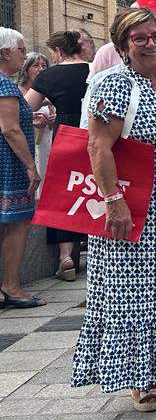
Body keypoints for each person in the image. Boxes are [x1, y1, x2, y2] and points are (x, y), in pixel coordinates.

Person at [72, 8, 156, 412]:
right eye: (140, 38)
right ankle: (139, 380)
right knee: (131, 296)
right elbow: (97, 146)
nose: (152, 44)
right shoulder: (113, 85)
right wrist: (113, 202)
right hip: (130, 211)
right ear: (123, 45)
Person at [25, 31, 90, 283]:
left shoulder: (49, 75)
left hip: (65, 134)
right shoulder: (95, 69)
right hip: (96, 132)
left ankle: (66, 257)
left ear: (59, 52)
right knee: (94, 188)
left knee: (65, 194)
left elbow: (26, 106)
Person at [0, 29, 43, 308]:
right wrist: (31, 166)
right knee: (17, 224)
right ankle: (12, 286)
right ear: (5, 53)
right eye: (20, 49)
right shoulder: (4, 86)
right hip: (10, 166)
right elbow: (10, 129)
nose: (24, 55)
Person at [15, 52, 56, 198]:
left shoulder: (49, 92)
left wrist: (53, 120)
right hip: (26, 143)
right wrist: (30, 119)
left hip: (46, 143)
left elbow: (53, 117)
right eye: (36, 65)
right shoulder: (17, 91)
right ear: (26, 69)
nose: (40, 69)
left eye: (44, 66)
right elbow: (10, 120)